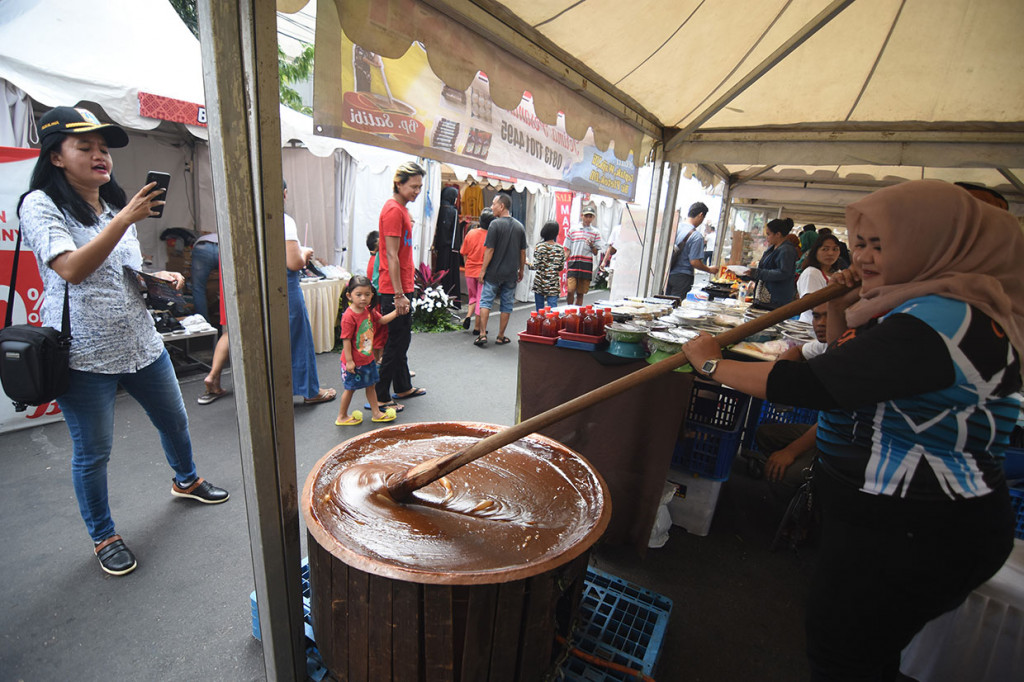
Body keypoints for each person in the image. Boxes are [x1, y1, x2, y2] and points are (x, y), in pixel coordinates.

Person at [681, 180, 1023, 681]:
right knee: (860, 656)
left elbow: (817, 383)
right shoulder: (942, 304)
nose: (863, 258)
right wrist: (850, 295)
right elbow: (845, 352)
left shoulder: (941, 318)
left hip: (917, 526)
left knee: (847, 661)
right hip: (910, 519)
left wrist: (712, 365)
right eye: (859, 243)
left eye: (882, 244)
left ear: (933, 242)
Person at [17, 106, 229, 576]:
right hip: (84, 355)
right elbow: (71, 268)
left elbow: (119, 271)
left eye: (104, 148)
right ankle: (103, 534)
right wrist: (126, 217)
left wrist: (156, 277)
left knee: (175, 420)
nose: (100, 156)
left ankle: (186, 480)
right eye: (85, 146)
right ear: (56, 156)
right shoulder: (40, 204)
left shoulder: (112, 205)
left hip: (140, 342)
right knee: (93, 452)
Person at [375, 161, 427, 411]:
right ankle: (381, 397)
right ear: (399, 183)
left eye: (419, 186)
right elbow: (391, 255)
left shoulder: (402, 209)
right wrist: (398, 294)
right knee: (395, 343)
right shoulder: (394, 210)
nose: (417, 191)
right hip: (393, 288)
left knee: (401, 339)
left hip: (402, 285)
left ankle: (403, 386)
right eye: (413, 186)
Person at [283, 180, 335, 405]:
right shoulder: (284, 221)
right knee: (298, 337)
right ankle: (310, 391)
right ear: (284, 193)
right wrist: (304, 252)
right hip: (284, 286)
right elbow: (293, 262)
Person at [334, 275, 401, 426]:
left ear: (372, 294)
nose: (363, 298)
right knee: (350, 389)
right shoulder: (348, 316)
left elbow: (382, 320)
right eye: (358, 295)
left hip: (367, 359)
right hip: (354, 362)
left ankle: (376, 413)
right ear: (349, 295)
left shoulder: (368, 311)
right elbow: (345, 339)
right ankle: (342, 416)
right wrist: (350, 361)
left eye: (367, 294)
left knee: (371, 386)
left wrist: (397, 312)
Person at [475, 193, 526, 347]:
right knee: (506, 304)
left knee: (486, 301)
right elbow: (522, 252)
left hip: (493, 273)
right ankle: (501, 336)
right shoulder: (519, 226)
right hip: (510, 273)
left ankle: (482, 334)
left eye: (494, 204)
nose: (492, 207)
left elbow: (489, 250)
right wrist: (521, 270)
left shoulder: (494, 225)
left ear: (502, 206)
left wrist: (483, 271)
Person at [746, 217, 797, 309]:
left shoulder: (786, 250)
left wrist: (757, 273)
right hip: (763, 298)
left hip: (775, 300)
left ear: (778, 234)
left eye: (768, 234)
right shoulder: (773, 248)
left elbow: (783, 273)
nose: (767, 237)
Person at [665, 202, 714, 298]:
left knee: (664, 302)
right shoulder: (696, 236)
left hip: (668, 274)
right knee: (676, 306)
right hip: (683, 277)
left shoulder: (675, 228)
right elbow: (695, 262)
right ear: (701, 215)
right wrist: (709, 269)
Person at [796, 233, 842, 323]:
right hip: (810, 326)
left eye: (835, 249)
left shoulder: (838, 273)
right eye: (825, 249)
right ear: (816, 251)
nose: (830, 253)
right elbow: (811, 303)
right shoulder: (812, 273)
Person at [459, 208, 492, 334]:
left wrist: (468, 265)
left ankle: (467, 317)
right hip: (482, 272)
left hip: (470, 270)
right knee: (481, 299)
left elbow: (464, 253)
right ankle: (477, 327)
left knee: (472, 297)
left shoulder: (471, 233)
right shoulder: (490, 236)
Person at [564, 205, 604, 305]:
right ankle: (569, 309)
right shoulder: (573, 230)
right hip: (573, 263)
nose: (588, 219)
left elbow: (595, 252)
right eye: (586, 216)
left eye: (590, 216)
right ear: (582, 216)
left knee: (580, 293)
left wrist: (592, 245)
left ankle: (576, 314)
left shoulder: (595, 232)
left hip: (586, 264)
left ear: (593, 218)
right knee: (570, 290)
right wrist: (562, 261)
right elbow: (567, 250)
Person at [432, 186, 462, 306]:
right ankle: (451, 300)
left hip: (440, 248)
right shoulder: (452, 211)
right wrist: (456, 249)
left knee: (440, 273)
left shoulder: (439, 209)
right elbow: (455, 234)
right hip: (450, 250)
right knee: (449, 275)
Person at [529, 220, 565, 310]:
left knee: (539, 311)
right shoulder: (560, 248)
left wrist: (527, 263)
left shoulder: (540, 247)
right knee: (553, 311)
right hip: (553, 284)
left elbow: (535, 266)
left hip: (540, 283)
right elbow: (561, 267)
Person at [190, 232, 219, 325]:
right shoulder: (222, 232)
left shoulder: (203, 238)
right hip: (222, 247)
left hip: (202, 248)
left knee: (198, 288)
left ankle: (203, 324)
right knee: (231, 287)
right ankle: (229, 323)